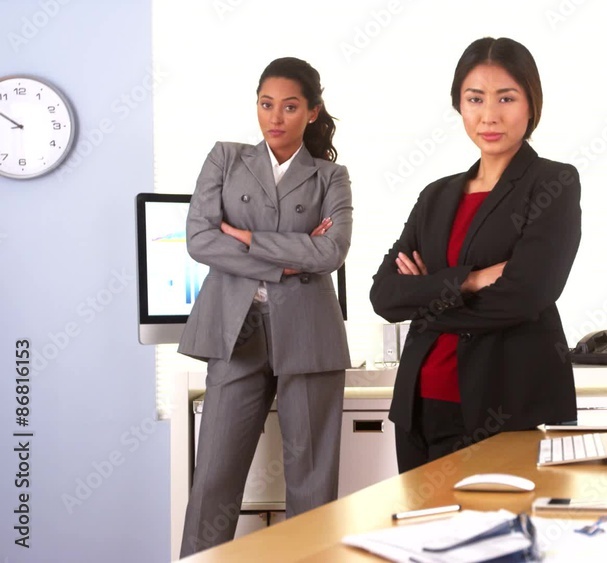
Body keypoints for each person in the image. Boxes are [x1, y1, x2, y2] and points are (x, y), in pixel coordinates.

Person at [370, 37, 582, 472]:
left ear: (531, 104)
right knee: (421, 519)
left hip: (504, 409)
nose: (489, 115)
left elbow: (526, 295)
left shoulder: (552, 183)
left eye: (506, 98)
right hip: (419, 408)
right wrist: (470, 280)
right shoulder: (436, 196)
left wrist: (426, 299)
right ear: (459, 106)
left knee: (502, 519)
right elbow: (385, 295)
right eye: (475, 99)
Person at [177, 57, 352, 556]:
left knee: (312, 486)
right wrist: (288, 260)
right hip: (236, 329)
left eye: (290, 107)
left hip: (310, 334)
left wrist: (248, 237)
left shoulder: (331, 176)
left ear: (312, 112)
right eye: (266, 104)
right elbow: (199, 239)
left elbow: (331, 252)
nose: (275, 117)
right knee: (213, 478)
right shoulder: (226, 158)